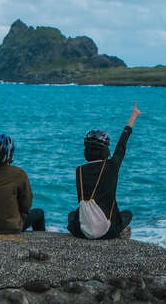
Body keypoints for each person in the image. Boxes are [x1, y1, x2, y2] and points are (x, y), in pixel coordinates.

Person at [67, 102, 140, 240]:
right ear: (105, 151)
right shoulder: (111, 167)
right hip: (107, 231)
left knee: (72, 215)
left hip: (83, 231)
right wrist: (133, 117)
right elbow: (121, 146)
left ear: (86, 152)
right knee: (127, 214)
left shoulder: (79, 171)